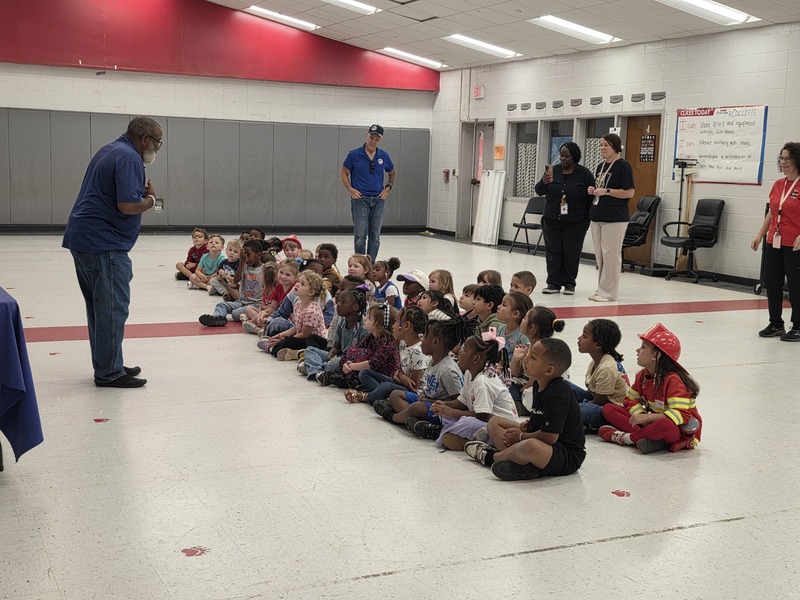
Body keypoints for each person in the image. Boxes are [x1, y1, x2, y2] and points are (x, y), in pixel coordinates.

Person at [62, 115, 162, 388]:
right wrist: (151, 199)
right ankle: (108, 372)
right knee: (111, 309)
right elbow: (128, 206)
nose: (157, 148)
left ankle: (110, 362)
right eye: (157, 142)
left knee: (99, 308)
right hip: (103, 243)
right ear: (144, 140)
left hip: (86, 239)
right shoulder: (130, 158)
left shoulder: (110, 150)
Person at [464, 338, 586, 482]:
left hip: (565, 454)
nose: (526, 359)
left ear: (549, 370)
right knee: (494, 422)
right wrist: (527, 426)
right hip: (545, 444)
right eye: (528, 353)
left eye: (533, 357)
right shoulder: (536, 384)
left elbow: (550, 437)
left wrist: (520, 437)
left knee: (529, 446)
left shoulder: (558, 394)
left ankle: (491, 457)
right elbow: (540, 419)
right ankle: (522, 463)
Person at [599, 323, 702, 453]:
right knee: (609, 409)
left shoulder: (674, 380)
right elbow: (629, 400)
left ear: (656, 355)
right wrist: (640, 415)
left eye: (643, 347)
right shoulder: (643, 375)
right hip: (652, 423)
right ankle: (651, 438)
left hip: (677, 429)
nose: (637, 350)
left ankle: (627, 438)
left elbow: (682, 415)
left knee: (664, 425)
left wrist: (648, 418)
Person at [409, 329, 517, 451]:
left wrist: (451, 411)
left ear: (476, 359)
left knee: (468, 423)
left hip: (500, 428)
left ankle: (444, 433)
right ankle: (454, 434)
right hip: (481, 420)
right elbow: (463, 401)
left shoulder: (483, 382)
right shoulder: (469, 374)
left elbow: (482, 416)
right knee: (447, 416)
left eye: (464, 349)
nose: (459, 352)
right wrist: (444, 405)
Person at [374, 317, 474, 425]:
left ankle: (392, 417)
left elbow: (459, 402)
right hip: (427, 400)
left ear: (435, 342)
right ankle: (413, 420)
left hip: (438, 409)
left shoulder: (448, 370)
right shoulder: (433, 360)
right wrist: (423, 394)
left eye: (425, 336)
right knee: (396, 395)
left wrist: (429, 401)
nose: (421, 340)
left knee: (417, 407)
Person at [751, 142, 800, 342]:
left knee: (796, 285)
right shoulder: (778, 185)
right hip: (775, 240)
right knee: (772, 282)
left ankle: (797, 325)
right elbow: (772, 212)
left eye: (787, 158)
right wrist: (759, 234)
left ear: (797, 159)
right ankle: (775, 323)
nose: (783, 162)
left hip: (795, 242)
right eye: (781, 158)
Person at [535, 142, 595, 296]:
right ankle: (553, 283)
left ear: (574, 157)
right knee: (554, 252)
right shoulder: (552, 171)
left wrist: (585, 218)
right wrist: (544, 181)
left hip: (576, 222)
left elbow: (591, 197)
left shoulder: (584, 174)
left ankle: (569, 284)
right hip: (551, 219)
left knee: (571, 253)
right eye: (561, 155)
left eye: (566, 156)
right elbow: (539, 191)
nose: (562, 158)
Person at [345, 306, 429, 404]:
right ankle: (381, 395)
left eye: (396, 322)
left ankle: (366, 397)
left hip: (414, 393)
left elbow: (413, 387)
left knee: (386, 386)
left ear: (406, 326)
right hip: (400, 383)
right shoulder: (402, 342)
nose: (393, 326)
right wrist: (401, 376)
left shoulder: (418, 351)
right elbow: (398, 373)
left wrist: (399, 376)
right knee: (364, 373)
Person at [587, 133, 635, 302]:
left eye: (606, 145)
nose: (602, 148)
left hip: (615, 218)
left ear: (615, 147)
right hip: (598, 215)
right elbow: (601, 187)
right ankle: (602, 288)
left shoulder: (623, 166)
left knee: (611, 255)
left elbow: (629, 192)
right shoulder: (600, 166)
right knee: (600, 255)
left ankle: (610, 292)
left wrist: (607, 191)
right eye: (601, 145)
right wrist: (594, 190)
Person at [340, 124, 397, 262]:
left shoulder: (384, 155)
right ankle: (360, 263)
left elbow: (392, 173)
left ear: (380, 140)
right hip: (360, 199)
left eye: (377, 139)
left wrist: (387, 188)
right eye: (371, 138)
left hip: (378, 200)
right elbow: (344, 173)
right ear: (366, 136)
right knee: (360, 235)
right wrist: (350, 189)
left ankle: (370, 264)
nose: (373, 141)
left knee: (375, 235)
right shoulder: (354, 155)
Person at [316, 303, 399, 390]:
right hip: (365, 369)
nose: (365, 318)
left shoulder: (388, 343)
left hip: (381, 376)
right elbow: (355, 349)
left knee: (363, 372)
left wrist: (351, 366)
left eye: (369, 318)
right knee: (352, 353)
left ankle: (373, 390)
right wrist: (346, 363)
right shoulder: (370, 337)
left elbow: (373, 364)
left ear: (379, 325)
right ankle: (346, 380)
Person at [569, 319, 629, 431]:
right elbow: (591, 393)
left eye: (584, 336)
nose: (579, 338)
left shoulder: (606, 368)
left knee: (580, 410)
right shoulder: (595, 362)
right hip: (599, 401)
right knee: (564, 386)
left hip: (612, 410)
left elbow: (599, 401)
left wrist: (574, 405)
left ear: (597, 344)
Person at [301, 288, 368, 380]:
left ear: (355, 307)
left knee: (334, 363)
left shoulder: (363, 327)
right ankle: (318, 372)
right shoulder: (342, 323)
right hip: (340, 356)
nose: (338, 304)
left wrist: (335, 360)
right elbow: (336, 346)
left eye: (343, 302)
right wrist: (332, 353)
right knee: (310, 350)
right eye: (338, 301)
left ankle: (314, 368)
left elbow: (361, 354)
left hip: (350, 361)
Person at [263, 271, 329, 361]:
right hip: (300, 336)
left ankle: (278, 349)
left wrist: (283, 340)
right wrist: (281, 335)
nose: (297, 285)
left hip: (313, 342)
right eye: (298, 281)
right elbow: (296, 327)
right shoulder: (298, 304)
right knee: (278, 333)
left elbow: (304, 334)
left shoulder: (311, 311)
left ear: (311, 292)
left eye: (302, 284)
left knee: (288, 341)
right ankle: (281, 346)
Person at [199, 240, 263, 327]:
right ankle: (218, 318)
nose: (246, 258)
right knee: (222, 305)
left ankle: (252, 318)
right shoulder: (244, 266)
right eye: (244, 255)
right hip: (242, 301)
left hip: (256, 304)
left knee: (235, 314)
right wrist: (242, 262)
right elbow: (236, 280)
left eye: (248, 255)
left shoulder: (264, 269)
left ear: (258, 255)